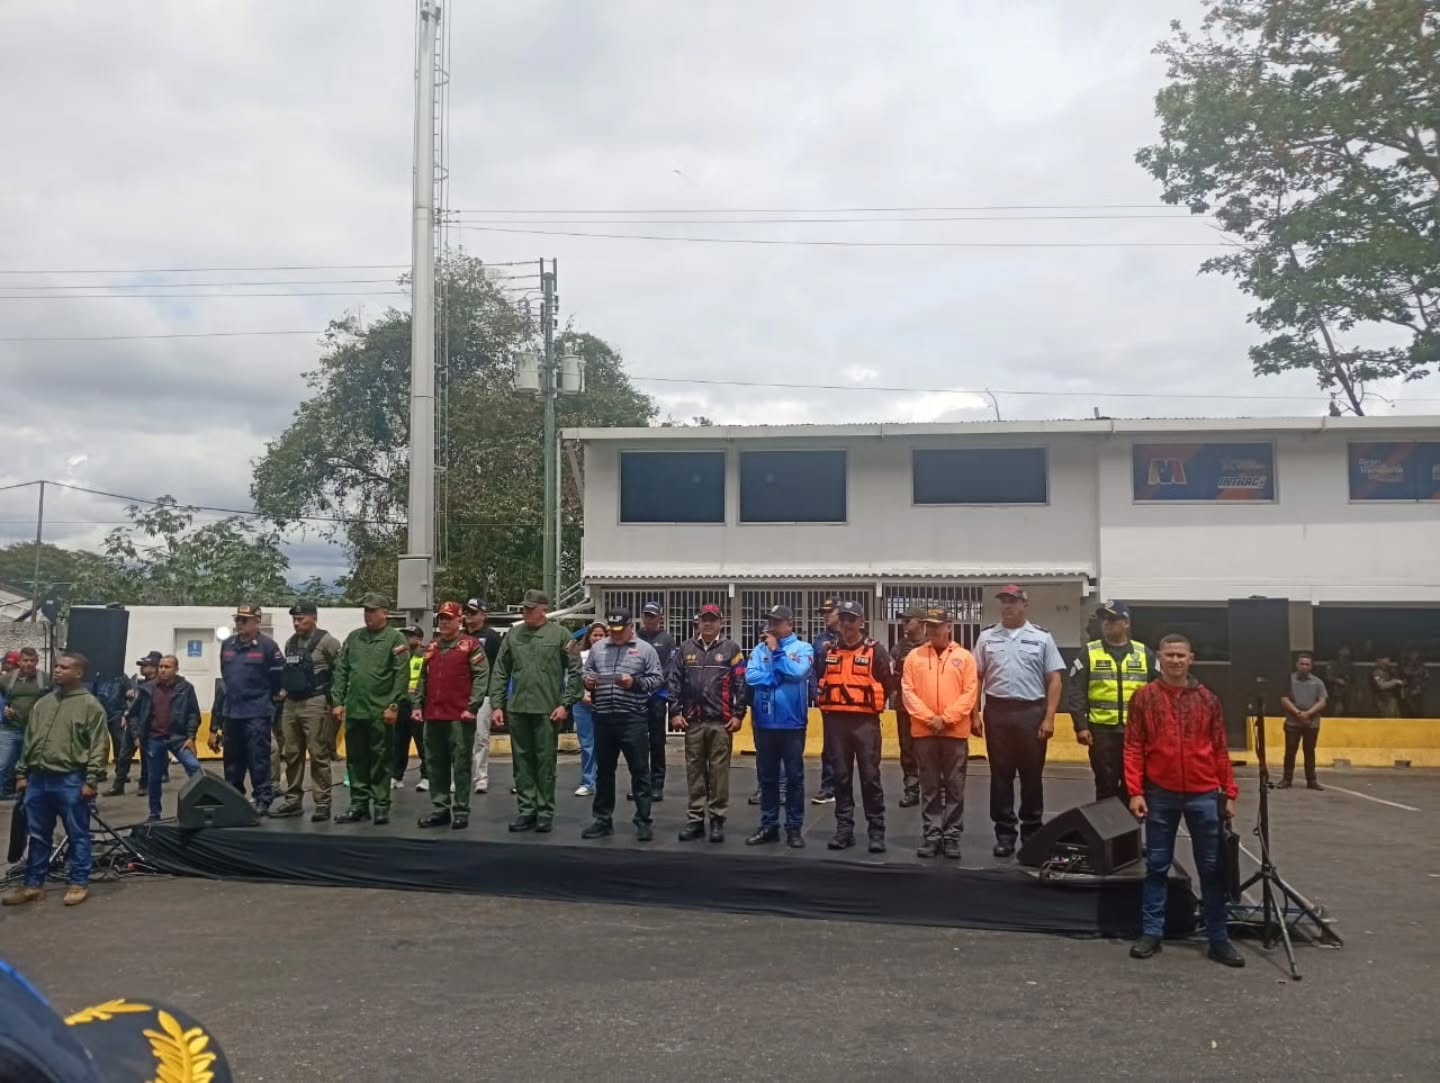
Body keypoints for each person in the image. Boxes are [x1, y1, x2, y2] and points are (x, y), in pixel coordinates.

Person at [1124, 633, 1244, 968]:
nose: (1175, 660)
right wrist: (1135, 790)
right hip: (1160, 793)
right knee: (1157, 866)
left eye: (1181, 655)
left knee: (1212, 869)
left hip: (1204, 795)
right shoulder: (1144, 699)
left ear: (1191, 659)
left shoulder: (1209, 700)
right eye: (1170, 655)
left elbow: (1220, 749)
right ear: (1159, 658)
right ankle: (1151, 932)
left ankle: (1218, 938)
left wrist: (1229, 792)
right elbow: (1133, 746)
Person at [1, 651, 109, 909]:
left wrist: (91, 780)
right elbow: (30, 740)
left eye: (64, 667)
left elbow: (99, 746)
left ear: (78, 673)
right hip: (38, 780)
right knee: (37, 836)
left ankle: (78, 883)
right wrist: (22, 774)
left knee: (78, 834)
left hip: (71, 780)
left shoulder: (90, 705)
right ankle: (33, 885)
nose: (57, 671)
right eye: (57, 666)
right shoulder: (44, 703)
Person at [973, 585, 1065, 858]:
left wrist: (1049, 717)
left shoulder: (1041, 638)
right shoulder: (987, 637)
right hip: (997, 712)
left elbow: (1055, 680)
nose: (1007, 606)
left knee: (1031, 775)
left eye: (1013, 602)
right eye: (1004, 602)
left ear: (1026, 606)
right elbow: (976, 677)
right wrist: (973, 714)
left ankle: (1032, 832)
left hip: (1031, 712)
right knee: (1000, 776)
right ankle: (1004, 833)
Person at [492, 589, 582, 833]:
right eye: (524, 609)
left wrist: (566, 704)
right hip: (519, 708)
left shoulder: (562, 635)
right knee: (521, 764)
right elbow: (501, 670)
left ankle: (544, 811)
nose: (526, 612)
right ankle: (526, 810)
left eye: (530, 609)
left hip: (547, 709)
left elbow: (575, 671)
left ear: (544, 610)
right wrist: (497, 705)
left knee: (545, 763)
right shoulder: (513, 635)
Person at [816, 600, 896, 853]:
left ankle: (876, 830)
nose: (848, 625)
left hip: (865, 723)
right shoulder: (829, 651)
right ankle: (844, 829)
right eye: (844, 619)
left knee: (870, 778)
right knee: (840, 777)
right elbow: (821, 679)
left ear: (862, 622)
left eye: (853, 620)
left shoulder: (876, 651)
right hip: (836, 723)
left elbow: (889, 682)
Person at [902, 606, 980, 859]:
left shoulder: (965, 657)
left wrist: (946, 719)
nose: (933, 630)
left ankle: (952, 836)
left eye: (938, 625)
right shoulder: (914, 657)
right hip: (924, 732)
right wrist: (929, 719)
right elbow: (908, 692)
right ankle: (932, 834)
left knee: (955, 786)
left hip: (954, 732)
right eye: (930, 626)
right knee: (929, 786)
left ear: (949, 627)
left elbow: (970, 693)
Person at [581, 608, 664, 842]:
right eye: (612, 631)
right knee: (604, 772)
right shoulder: (597, 648)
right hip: (604, 717)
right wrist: (588, 682)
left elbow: (657, 679)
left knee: (639, 771)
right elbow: (586, 673)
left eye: (621, 631)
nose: (616, 636)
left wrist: (635, 683)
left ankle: (643, 820)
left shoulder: (645, 650)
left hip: (633, 718)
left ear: (631, 627)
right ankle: (603, 819)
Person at [669, 603, 748, 844]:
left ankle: (716, 820)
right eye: (704, 619)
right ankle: (695, 819)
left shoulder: (732, 649)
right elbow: (674, 682)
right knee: (694, 772)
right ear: (698, 622)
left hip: (721, 723)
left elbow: (741, 684)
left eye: (713, 619)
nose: (708, 623)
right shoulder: (685, 649)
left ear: (721, 623)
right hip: (693, 722)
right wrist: (674, 712)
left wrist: (738, 714)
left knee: (718, 774)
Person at [1066, 601, 1158, 802]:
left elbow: (1159, 692)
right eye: (1104, 619)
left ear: (1126, 623)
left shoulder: (1144, 654)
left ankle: (1128, 832)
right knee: (1105, 787)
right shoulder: (1089, 652)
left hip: (1135, 733)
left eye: (1112, 619)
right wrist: (1080, 726)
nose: (1106, 624)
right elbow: (1076, 691)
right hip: (1101, 733)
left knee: (1133, 787)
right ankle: (1107, 831)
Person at [332, 593, 410, 826]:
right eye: (366, 611)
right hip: (355, 709)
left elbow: (401, 675)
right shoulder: (354, 638)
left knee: (381, 760)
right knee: (355, 759)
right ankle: (358, 804)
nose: (368, 615)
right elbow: (341, 670)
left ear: (385, 613)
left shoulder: (395, 639)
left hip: (380, 711)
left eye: (373, 611)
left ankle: (381, 804)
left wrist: (394, 705)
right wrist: (337, 701)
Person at [414, 601, 490, 830]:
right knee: (435, 764)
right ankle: (440, 808)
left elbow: (481, 677)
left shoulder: (471, 645)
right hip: (433, 715)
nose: (444, 622)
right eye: (441, 618)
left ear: (460, 620)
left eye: (449, 618)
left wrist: (472, 707)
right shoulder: (431, 647)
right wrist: (417, 705)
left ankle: (461, 810)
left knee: (461, 764)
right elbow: (419, 679)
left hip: (459, 716)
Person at [745, 604, 814, 849]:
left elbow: (798, 673)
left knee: (794, 778)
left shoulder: (803, 648)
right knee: (768, 779)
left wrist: (777, 655)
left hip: (792, 724)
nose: (772, 627)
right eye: (770, 622)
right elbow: (751, 677)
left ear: (790, 624)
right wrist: (773, 677)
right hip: (765, 723)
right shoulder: (758, 649)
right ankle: (768, 825)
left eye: (777, 622)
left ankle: (794, 827)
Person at [273, 602, 343, 821]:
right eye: (294, 619)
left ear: (313, 618)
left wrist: (337, 702)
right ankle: (293, 801)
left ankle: (323, 802)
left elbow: (340, 671)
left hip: (316, 702)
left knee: (318, 754)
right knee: (291, 754)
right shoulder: (290, 643)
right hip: (291, 704)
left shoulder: (328, 642)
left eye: (301, 618)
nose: (296, 623)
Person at [218, 606, 285, 816]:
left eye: (245, 620)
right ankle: (234, 796)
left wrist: (270, 700)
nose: (239, 623)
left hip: (257, 711)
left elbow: (278, 678)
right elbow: (226, 676)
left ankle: (263, 798)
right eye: (238, 619)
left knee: (259, 758)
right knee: (232, 760)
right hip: (232, 711)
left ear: (257, 621)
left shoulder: (268, 646)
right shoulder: (228, 644)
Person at [127, 654, 203, 822]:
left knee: (195, 768)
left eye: (167, 667)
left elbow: (193, 714)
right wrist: (137, 736)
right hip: (154, 739)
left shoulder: (186, 688)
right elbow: (132, 715)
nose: (162, 670)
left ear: (176, 669)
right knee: (154, 778)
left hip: (178, 738)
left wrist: (191, 736)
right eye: (161, 666)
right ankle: (155, 813)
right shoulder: (147, 689)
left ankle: (201, 807)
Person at [636, 601, 677, 802]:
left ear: (660, 617)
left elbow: (669, 668)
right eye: (646, 615)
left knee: (657, 742)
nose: (649, 619)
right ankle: (641, 784)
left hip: (657, 697)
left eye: (653, 616)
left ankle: (657, 784)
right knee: (638, 742)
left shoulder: (666, 639)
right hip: (636, 697)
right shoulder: (636, 637)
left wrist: (656, 688)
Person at [462, 599, 502, 795]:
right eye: (466, 612)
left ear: (483, 615)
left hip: (484, 694)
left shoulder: (492, 637)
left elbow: (498, 669)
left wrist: (496, 699)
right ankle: (459, 778)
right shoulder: (458, 636)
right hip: (460, 694)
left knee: (481, 738)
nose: (468, 615)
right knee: (459, 739)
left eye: (473, 612)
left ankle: (481, 778)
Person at [105, 652, 159, 796]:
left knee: (147, 758)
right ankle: (119, 785)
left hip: (150, 726)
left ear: (155, 668)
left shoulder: (158, 687)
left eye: (146, 666)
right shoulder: (139, 685)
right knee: (123, 756)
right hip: (134, 724)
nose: (142, 668)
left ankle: (144, 784)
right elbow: (133, 709)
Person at [888, 607, 926, 808]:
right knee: (907, 750)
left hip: (927, 707)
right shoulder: (898, 648)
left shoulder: (931, 645)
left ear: (920, 622)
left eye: (908, 620)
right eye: (903, 620)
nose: (904, 623)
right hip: (904, 707)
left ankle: (936, 790)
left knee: (929, 750)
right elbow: (893, 675)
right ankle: (911, 790)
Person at [1, 646, 49, 800]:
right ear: (19, 661)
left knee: (31, 765)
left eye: (32, 660)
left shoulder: (46, 679)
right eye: (25, 660)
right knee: (4, 764)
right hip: (10, 728)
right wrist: (3, 709)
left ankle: (28, 793)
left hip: (35, 730)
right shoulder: (7, 679)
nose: (28, 664)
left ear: (37, 661)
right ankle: (3, 792)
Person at [809, 598, 841, 805]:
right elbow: (812, 671)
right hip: (828, 701)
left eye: (830, 612)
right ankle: (828, 787)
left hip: (851, 702)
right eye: (824, 613)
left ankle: (844, 787)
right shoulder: (819, 641)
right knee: (830, 746)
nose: (826, 616)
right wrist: (816, 693)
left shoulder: (855, 639)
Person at [1279, 654, 1327, 791]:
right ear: (1297, 665)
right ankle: (1286, 780)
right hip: (1292, 723)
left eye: (1307, 664)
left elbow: (1322, 701)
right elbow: (1284, 699)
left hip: (1311, 724)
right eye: (1302, 664)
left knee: (1309, 752)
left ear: (1311, 667)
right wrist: (1298, 713)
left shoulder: (1318, 682)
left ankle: (1311, 781)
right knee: (1290, 752)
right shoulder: (1288, 680)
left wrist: (1308, 714)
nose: (1304, 666)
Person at [570, 621, 606, 797]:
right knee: (587, 745)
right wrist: (581, 695)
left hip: (604, 704)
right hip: (582, 704)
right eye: (595, 635)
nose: (598, 638)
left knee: (604, 744)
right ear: (589, 637)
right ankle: (588, 782)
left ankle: (603, 780)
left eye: (601, 635)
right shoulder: (580, 654)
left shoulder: (610, 654)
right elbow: (571, 678)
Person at [392, 624, 430, 792]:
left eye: (410, 635)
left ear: (419, 639)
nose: (407, 639)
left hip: (420, 705)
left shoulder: (426, 655)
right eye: (405, 635)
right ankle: (397, 776)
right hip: (402, 703)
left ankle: (426, 776)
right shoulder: (401, 655)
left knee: (423, 743)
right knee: (399, 742)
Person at [90, 665, 134, 791]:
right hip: (99, 713)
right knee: (99, 744)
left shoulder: (122, 677)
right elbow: (90, 694)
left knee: (120, 743)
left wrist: (126, 713)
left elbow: (130, 696)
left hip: (117, 714)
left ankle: (121, 773)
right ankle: (100, 771)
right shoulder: (96, 675)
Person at [1325, 646, 1356, 717]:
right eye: (1344, 649)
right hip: (1335, 690)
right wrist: (1337, 680)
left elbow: (1353, 678)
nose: (1346, 651)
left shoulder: (1350, 664)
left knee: (1349, 710)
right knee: (1338, 709)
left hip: (1348, 691)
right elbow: (1328, 676)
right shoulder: (1332, 663)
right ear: (1339, 651)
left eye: (1347, 650)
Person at [1399, 647, 1427, 719]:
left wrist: (1419, 684)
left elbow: (1424, 673)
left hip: (1417, 690)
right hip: (1408, 691)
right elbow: (1406, 672)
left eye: (1416, 654)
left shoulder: (1419, 663)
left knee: (1419, 710)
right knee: (1409, 710)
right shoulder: (1405, 663)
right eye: (1413, 654)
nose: (1415, 655)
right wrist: (1412, 662)